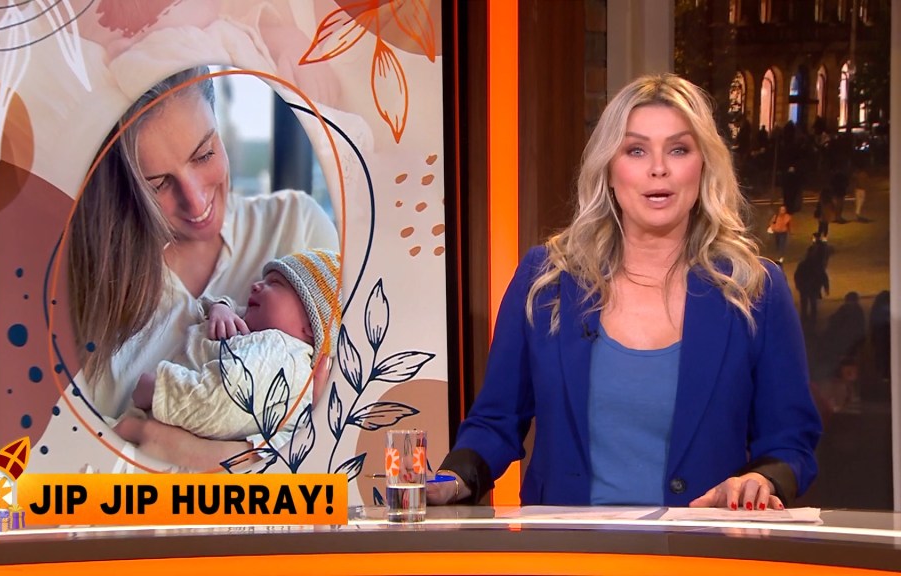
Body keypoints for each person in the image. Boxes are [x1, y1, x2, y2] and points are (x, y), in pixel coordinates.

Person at [429, 74, 820, 510]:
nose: (659, 168)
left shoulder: (753, 290)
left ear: (704, 166)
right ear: (610, 170)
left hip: (700, 543)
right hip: (568, 545)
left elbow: (790, 441)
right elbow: (496, 422)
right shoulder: (547, 280)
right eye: (636, 150)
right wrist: (450, 480)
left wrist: (760, 481)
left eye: (678, 149)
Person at [67, 67, 338, 466]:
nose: (196, 202)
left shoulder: (299, 231)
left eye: (204, 154)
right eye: (158, 183)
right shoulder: (95, 291)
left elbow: (333, 452)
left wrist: (179, 448)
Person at [130, 249, 340, 444]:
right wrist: (221, 308)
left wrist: (158, 390)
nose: (255, 285)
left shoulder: (282, 353)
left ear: (312, 325)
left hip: (161, 427)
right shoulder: (261, 331)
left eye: (275, 283)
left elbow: (219, 401)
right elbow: (220, 307)